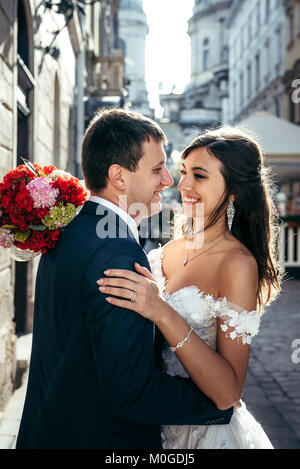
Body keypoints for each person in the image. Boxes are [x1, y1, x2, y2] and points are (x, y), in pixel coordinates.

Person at [16, 109, 233, 450]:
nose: (169, 181)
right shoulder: (118, 254)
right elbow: (131, 393)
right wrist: (221, 404)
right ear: (119, 176)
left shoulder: (67, 232)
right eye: (157, 169)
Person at [97, 126, 284, 449]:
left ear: (234, 190)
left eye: (199, 175)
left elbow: (228, 394)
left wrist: (161, 311)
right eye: (183, 172)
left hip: (204, 434)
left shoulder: (238, 264)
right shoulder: (167, 251)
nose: (182, 185)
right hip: (148, 426)